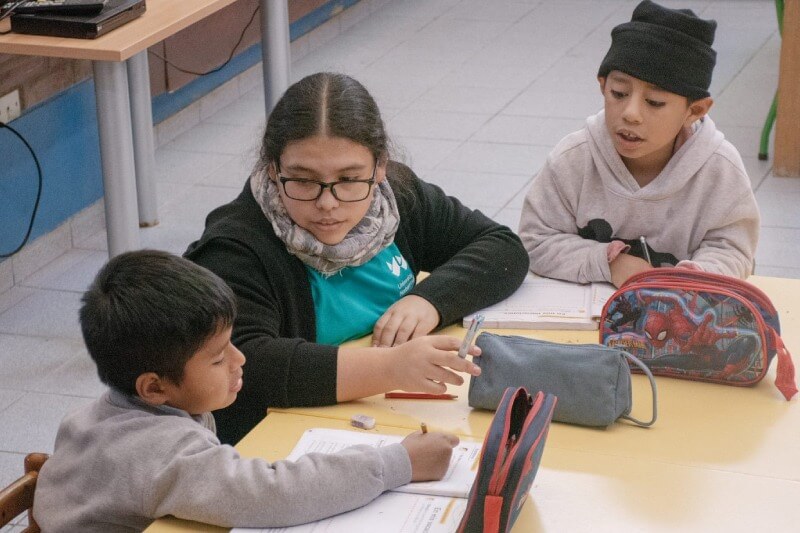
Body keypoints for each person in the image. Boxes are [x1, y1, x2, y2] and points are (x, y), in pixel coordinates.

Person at [185, 72, 529, 444]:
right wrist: (390, 368)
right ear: (273, 168)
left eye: (349, 179)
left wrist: (429, 301)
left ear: (379, 166)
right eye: (303, 180)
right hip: (280, 437)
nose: (327, 203)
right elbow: (248, 363)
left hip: (378, 417)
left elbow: (502, 247)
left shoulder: (396, 199)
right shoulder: (234, 248)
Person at [32, 250, 460, 532]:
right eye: (218, 358)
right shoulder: (159, 452)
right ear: (154, 387)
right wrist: (397, 463)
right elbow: (274, 494)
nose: (240, 359)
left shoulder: (106, 412)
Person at [518, 0, 759, 288]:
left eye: (654, 102)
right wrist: (609, 264)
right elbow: (536, 241)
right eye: (619, 93)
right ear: (603, 86)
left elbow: (732, 249)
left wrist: (692, 278)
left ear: (694, 111)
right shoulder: (573, 159)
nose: (630, 114)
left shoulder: (720, 169)